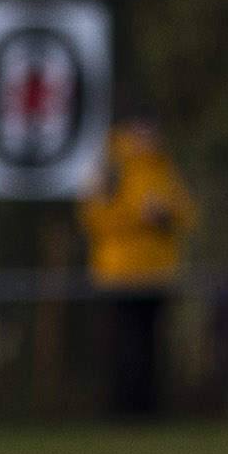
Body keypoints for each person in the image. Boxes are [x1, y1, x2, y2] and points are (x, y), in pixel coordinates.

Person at [79, 111, 195, 421]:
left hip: (157, 272)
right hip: (118, 274)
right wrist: (139, 217)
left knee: (151, 345)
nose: (148, 137)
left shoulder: (164, 165)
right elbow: (95, 218)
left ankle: (148, 412)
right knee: (124, 345)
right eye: (142, 130)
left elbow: (187, 213)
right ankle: (123, 411)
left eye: (152, 130)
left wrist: (165, 215)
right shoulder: (110, 165)